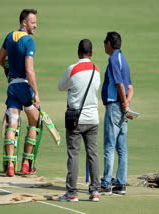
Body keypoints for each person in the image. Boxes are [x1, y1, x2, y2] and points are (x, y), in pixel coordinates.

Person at [0, 9, 41, 177]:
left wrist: (8, 71)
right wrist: (36, 93)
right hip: (24, 87)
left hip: (12, 87)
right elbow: (29, 70)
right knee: (34, 123)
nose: (35, 25)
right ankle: (25, 164)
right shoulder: (28, 41)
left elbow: (0, 60)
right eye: (33, 22)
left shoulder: (9, 37)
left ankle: (9, 166)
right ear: (24, 23)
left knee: (12, 125)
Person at [58, 39, 101, 202]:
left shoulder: (72, 69)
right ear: (91, 53)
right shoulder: (96, 70)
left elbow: (61, 87)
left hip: (75, 118)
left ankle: (72, 192)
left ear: (78, 52)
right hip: (93, 119)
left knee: (74, 155)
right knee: (93, 155)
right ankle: (95, 192)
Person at [100, 32, 134, 195]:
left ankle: (106, 184)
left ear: (109, 44)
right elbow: (130, 88)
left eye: (105, 42)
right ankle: (120, 185)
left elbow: (120, 85)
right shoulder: (124, 60)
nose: (103, 45)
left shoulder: (113, 59)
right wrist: (126, 104)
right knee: (121, 148)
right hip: (122, 108)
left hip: (115, 107)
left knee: (109, 146)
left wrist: (123, 103)